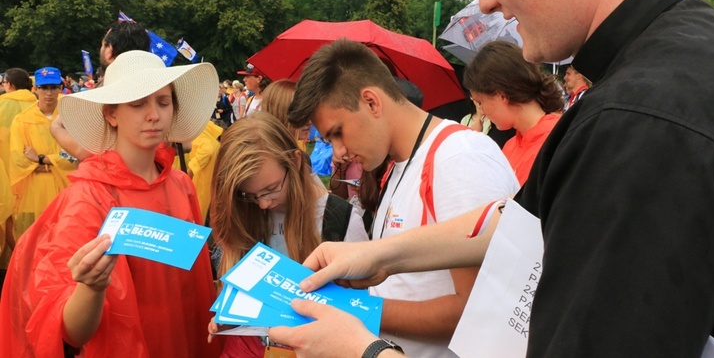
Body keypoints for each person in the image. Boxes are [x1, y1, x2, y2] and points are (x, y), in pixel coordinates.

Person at [269, 0, 714, 356]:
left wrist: (363, 350)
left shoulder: (638, 127)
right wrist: (379, 255)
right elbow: (520, 221)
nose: (486, 2)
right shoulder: (689, 58)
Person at [286, 39, 518, 357]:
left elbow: (477, 311)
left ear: (371, 102)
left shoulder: (459, 158)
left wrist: (355, 310)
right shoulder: (401, 163)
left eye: (337, 132)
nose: (338, 151)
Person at [0, 50, 221, 357]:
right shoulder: (88, 198)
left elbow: (194, 290)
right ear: (111, 113)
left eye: (163, 101)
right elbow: (71, 331)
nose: (154, 114)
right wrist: (90, 288)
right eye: (137, 103)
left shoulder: (181, 184)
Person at [207, 112, 368, 355]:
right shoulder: (242, 213)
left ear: (294, 162)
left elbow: (361, 309)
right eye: (249, 195)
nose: (262, 204)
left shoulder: (337, 219)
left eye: (271, 189)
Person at [463, 41, 563, 185]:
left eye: (480, 102)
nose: (482, 112)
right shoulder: (511, 145)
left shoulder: (557, 141)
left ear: (501, 96)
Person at [51, 19, 151, 162]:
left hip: (111, 178)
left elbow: (85, 151)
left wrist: (55, 127)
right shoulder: (158, 89)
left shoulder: (106, 91)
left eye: (102, 45)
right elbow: (183, 144)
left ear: (109, 51)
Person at [8, 67, 77, 239]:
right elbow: (19, 159)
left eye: (53, 87)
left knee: (64, 238)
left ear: (60, 88)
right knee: (33, 239)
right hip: (34, 193)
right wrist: (54, 164)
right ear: (36, 89)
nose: (49, 93)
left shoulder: (72, 115)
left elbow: (75, 155)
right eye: (44, 88)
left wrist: (41, 159)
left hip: (66, 189)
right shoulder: (22, 120)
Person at [0, 68, 36, 267]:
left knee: (6, 220)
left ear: (9, 85)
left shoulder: (1, 104)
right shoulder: (42, 105)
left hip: (5, 174)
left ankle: (15, 263)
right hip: (36, 175)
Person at [262, 79, 310, 151]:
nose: (309, 121)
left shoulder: (295, 149)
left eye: (309, 112)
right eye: (300, 113)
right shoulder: (271, 157)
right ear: (280, 114)